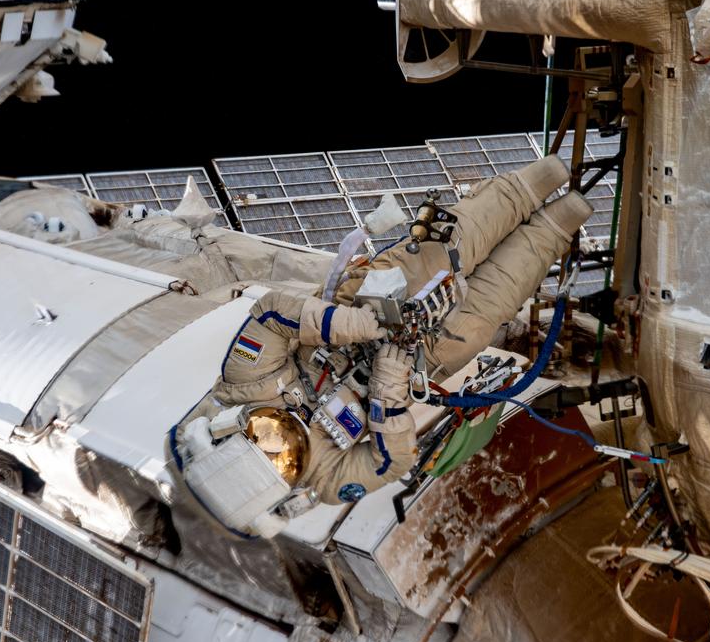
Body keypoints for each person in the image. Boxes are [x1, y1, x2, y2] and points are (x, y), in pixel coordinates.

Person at [171, 154, 592, 537]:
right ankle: (561, 222)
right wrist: (388, 396)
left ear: (230, 430)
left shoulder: (244, 382)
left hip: (372, 302)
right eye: (284, 461)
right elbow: (394, 461)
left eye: (263, 435)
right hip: (419, 361)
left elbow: (270, 315)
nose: (282, 439)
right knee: (503, 289)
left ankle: (537, 181)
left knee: (456, 243)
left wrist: (349, 324)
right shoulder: (327, 481)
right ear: (286, 487)